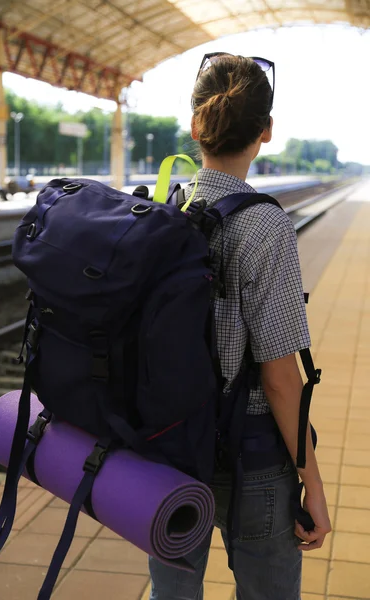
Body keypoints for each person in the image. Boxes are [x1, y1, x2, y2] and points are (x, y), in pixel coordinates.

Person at [148, 54, 331, 600]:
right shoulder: (265, 225)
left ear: (195, 127)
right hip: (254, 466)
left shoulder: (170, 210)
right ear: (267, 131)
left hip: (174, 453)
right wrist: (314, 488)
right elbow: (279, 379)